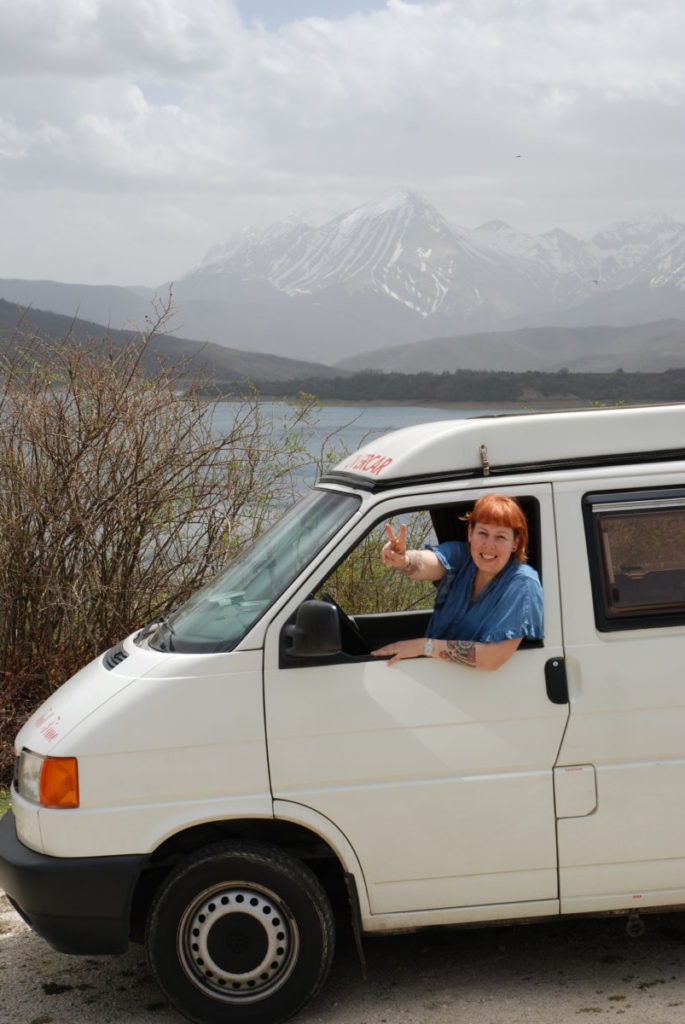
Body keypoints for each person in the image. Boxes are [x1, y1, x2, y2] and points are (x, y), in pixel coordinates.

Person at [371, 494, 543, 670]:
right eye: (483, 533)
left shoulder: (524, 584)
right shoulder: (464, 557)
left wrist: (424, 646)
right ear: (470, 533)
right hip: (437, 677)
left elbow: (491, 658)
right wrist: (404, 559)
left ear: (515, 542)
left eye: (500, 537)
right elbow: (429, 562)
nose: (489, 545)